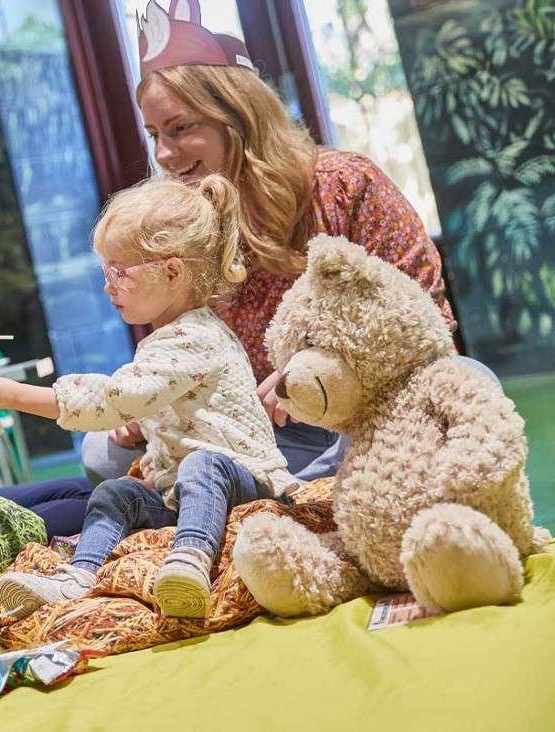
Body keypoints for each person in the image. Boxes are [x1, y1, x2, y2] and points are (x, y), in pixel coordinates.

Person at [81, 0, 456, 484]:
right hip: (259, 435)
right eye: (154, 134)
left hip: (365, 413)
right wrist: (151, 406)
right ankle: (277, 492)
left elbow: (430, 320)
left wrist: (314, 375)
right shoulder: (185, 228)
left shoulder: (344, 185)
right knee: (99, 452)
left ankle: (272, 494)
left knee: (459, 389)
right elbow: (183, 355)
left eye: (181, 128)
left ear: (237, 115)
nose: (164, 154)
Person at [0, 174, 294, 620]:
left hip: (244, 481)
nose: (107, 286)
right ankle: (79, 575)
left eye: (119, 271)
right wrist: (146, 426)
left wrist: (15, 395)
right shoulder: (169, 338)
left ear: (173, 271)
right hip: (181, 492)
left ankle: (191, 559)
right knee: (116, 491)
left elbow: (115, 397)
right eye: (105, 271)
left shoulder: (193, 337)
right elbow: (170, 403)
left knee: (203, 464)